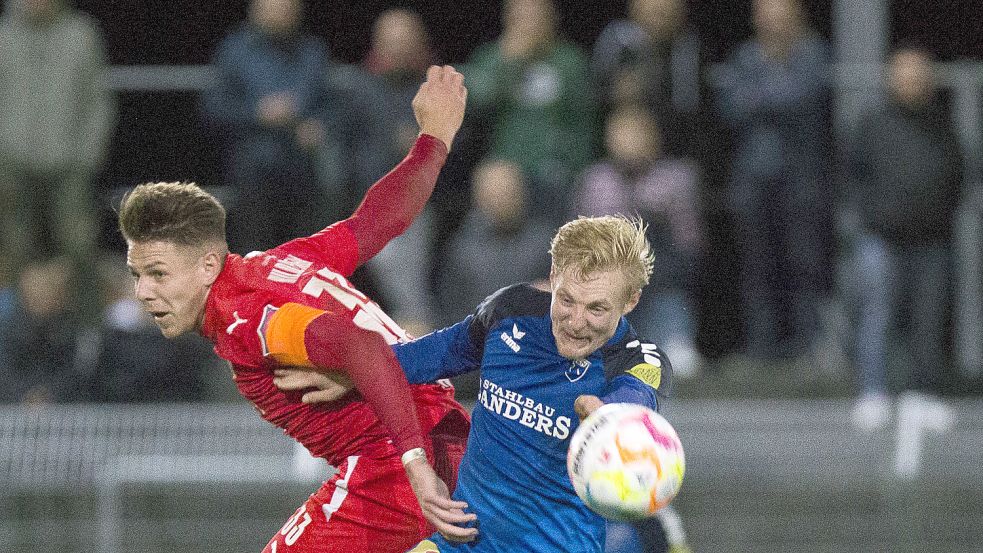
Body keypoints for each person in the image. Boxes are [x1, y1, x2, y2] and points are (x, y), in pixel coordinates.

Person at [118, 65, 477, 551]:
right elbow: (376, 221)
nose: (143, 291)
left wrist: (414, 464)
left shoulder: (248, 320)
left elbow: (360, 346)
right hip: (454, 437)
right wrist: (434, 140)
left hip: (396, 466)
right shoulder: (281, 262)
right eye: (137, 274)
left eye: (158, 273)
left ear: (207, 264)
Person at [277, 216, 687, 552]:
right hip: (458, 545)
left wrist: (609, 421)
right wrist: (351, 374)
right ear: (554, 276)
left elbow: (635, 404)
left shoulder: (638, 361)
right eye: (567, 300)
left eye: (597, 308)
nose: (576, 322)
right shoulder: (509, 312)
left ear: (630, 300)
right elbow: (432, 355)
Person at [847, 46, 963, 432]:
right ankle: (873, 392)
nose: (912, 82)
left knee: (928, 319)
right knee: (876, 314)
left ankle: (922, 395)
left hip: (931, 238)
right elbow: (854, 175)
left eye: (919, 74)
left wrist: (939, 213)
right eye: (904, 74)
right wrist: (873, 215)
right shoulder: (873, 123)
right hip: (881, 238)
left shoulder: (942, 125)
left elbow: (958, 173)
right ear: (891, 78)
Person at [716, 0, 833, 363]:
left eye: (782, 18)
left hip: (802, 181)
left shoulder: (814, 53)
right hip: (753, 180)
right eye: (768, 17)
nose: (775, 25)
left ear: (796, 18)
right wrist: (775, 92)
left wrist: (761, 95)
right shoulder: (745, 57)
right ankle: (761, 349)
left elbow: (806, 96)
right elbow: (730, 107)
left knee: (804, 265)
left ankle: (806, 347)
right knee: (757, 268)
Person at [0, 0, 116, 316]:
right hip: (11, 164)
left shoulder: (82, 34)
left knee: (79, 248)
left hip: (70, 165)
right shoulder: (4, 34)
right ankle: (14, 336)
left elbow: (98, 100)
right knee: (14, 251)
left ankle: (87, 334)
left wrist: (89, 155)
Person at [201, 0, 331, 254]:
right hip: (252, 172)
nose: (282, 10)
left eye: (288, 5)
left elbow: (330, 107)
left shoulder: (313, 51)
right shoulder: (234, 51)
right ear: (256, 8)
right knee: (255, 251)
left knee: (304, 254)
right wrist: (258, 113)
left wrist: (318, 126)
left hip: (303, 171)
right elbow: (213, 108)